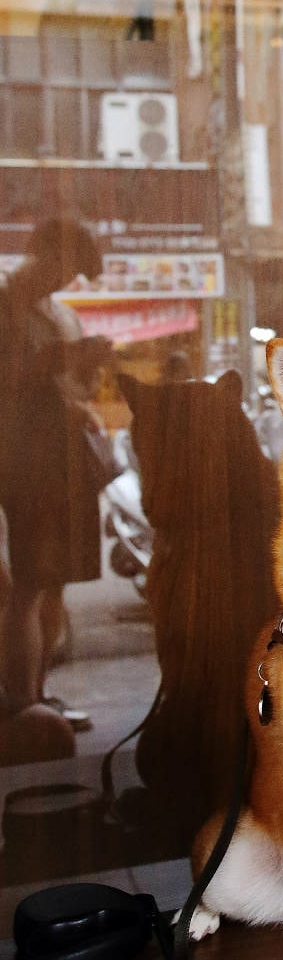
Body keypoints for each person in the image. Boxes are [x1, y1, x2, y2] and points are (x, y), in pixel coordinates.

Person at [0, 218, 111, 728]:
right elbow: (14, 377)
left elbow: (71, 389)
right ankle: (22, 702)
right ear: (38, 252)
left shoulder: (55, 313)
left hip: (54, 460)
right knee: (27, 584)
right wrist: (63, 358)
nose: (65, 281)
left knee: (51, 584)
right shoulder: (6, 301)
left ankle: (40, 695)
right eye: (63, 267)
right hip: (20, 459)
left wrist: (87, 366)